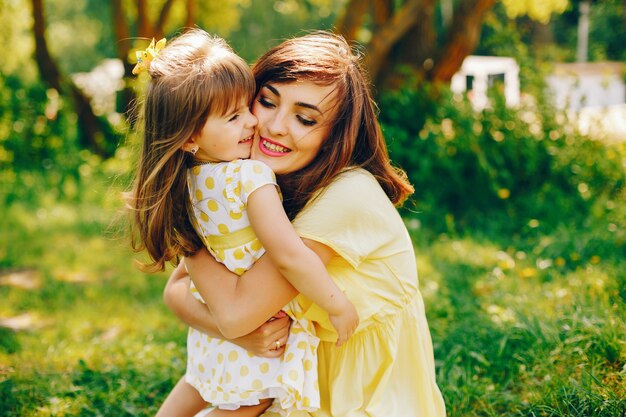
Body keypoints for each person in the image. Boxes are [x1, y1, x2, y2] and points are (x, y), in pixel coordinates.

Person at [164, 31, 447, 416]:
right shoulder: (249, 181)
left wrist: (182, 226)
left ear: (335, 134)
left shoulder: (347, 196)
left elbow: (235, 313)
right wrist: (247, 338)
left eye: (305, 118)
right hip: (296, 384)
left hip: (357, 399)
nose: (275, 126)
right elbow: (176, 291)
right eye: (266, 101)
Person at [127, 29, 359, 417]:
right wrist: (335, 304)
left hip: (209, 320)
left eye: (247, 106)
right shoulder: (249, 178)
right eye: (234, 116)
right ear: (188, 138)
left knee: (197, 383)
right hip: (256, 318)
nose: (253, 121)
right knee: (251, 402)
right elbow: (288, 255)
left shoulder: (188, 179)